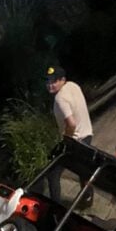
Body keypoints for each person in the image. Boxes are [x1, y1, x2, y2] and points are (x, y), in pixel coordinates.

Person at [45, 65, 94, 205]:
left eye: (54, 81)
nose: (50, 85)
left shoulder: (60, 98)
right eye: (47, 81)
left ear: (62, 80)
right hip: (87, 134)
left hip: (75, 140)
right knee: (83, 170)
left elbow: (71, 123)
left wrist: (67, 140)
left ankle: (55, 207)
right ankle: (87, 199)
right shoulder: (73, 86)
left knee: (53, 174)